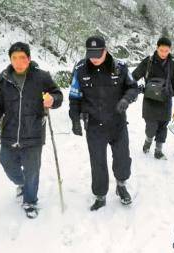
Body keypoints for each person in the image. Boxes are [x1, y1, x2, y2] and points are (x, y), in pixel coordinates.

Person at [0, 42, 63, 218]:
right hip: (9, 132)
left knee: (32, 170)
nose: (18, 62)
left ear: (29, 59)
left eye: (22, 58)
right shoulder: (3, 79)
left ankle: (30, 201)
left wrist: (52, 100)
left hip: (33, 132)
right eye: (14, 58)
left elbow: (58, 94)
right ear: (10, 59)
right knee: (6, 161)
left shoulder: (41, 77)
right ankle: (22, 184)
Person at [69, 36, 138, 211]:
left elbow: (133, 87)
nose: (94, 58)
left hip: (117, 123)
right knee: (97, 162)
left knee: (122, 159)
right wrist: (75, 120)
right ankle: (100, 195)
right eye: (90, 55)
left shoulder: (120, 67)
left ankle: (121, 185)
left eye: (97, 54)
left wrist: (125, 100)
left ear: (105, 51)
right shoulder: (80, 69)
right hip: (94, 125)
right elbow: (74, 96)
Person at [132, 37, 174, 160]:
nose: (163, 53)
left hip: (166, 100)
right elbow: (134, 75)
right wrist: (128, 87)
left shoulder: (172, 64)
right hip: (150, 99)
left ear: (170, 50)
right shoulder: (148, 61)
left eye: (166, 51)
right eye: (161, 50)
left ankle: (158, 151)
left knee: (162, 126)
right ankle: (148, 141)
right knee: (151, 126)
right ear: (157, 48)